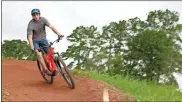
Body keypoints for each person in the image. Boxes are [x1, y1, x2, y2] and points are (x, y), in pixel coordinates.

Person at [27, 8, 63, 76]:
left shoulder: (43, 19)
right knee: (39, 54)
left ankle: (56, 67)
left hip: (43, 39)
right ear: (32, 16)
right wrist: (32, 47)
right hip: (35, 41)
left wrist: (59, 34)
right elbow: (30, 37)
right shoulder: (31, 24)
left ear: (39, 15)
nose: (36, 16)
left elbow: (51, 27)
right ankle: (45, 70)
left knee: (52, 53)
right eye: (34, 15)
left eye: (37, 14)